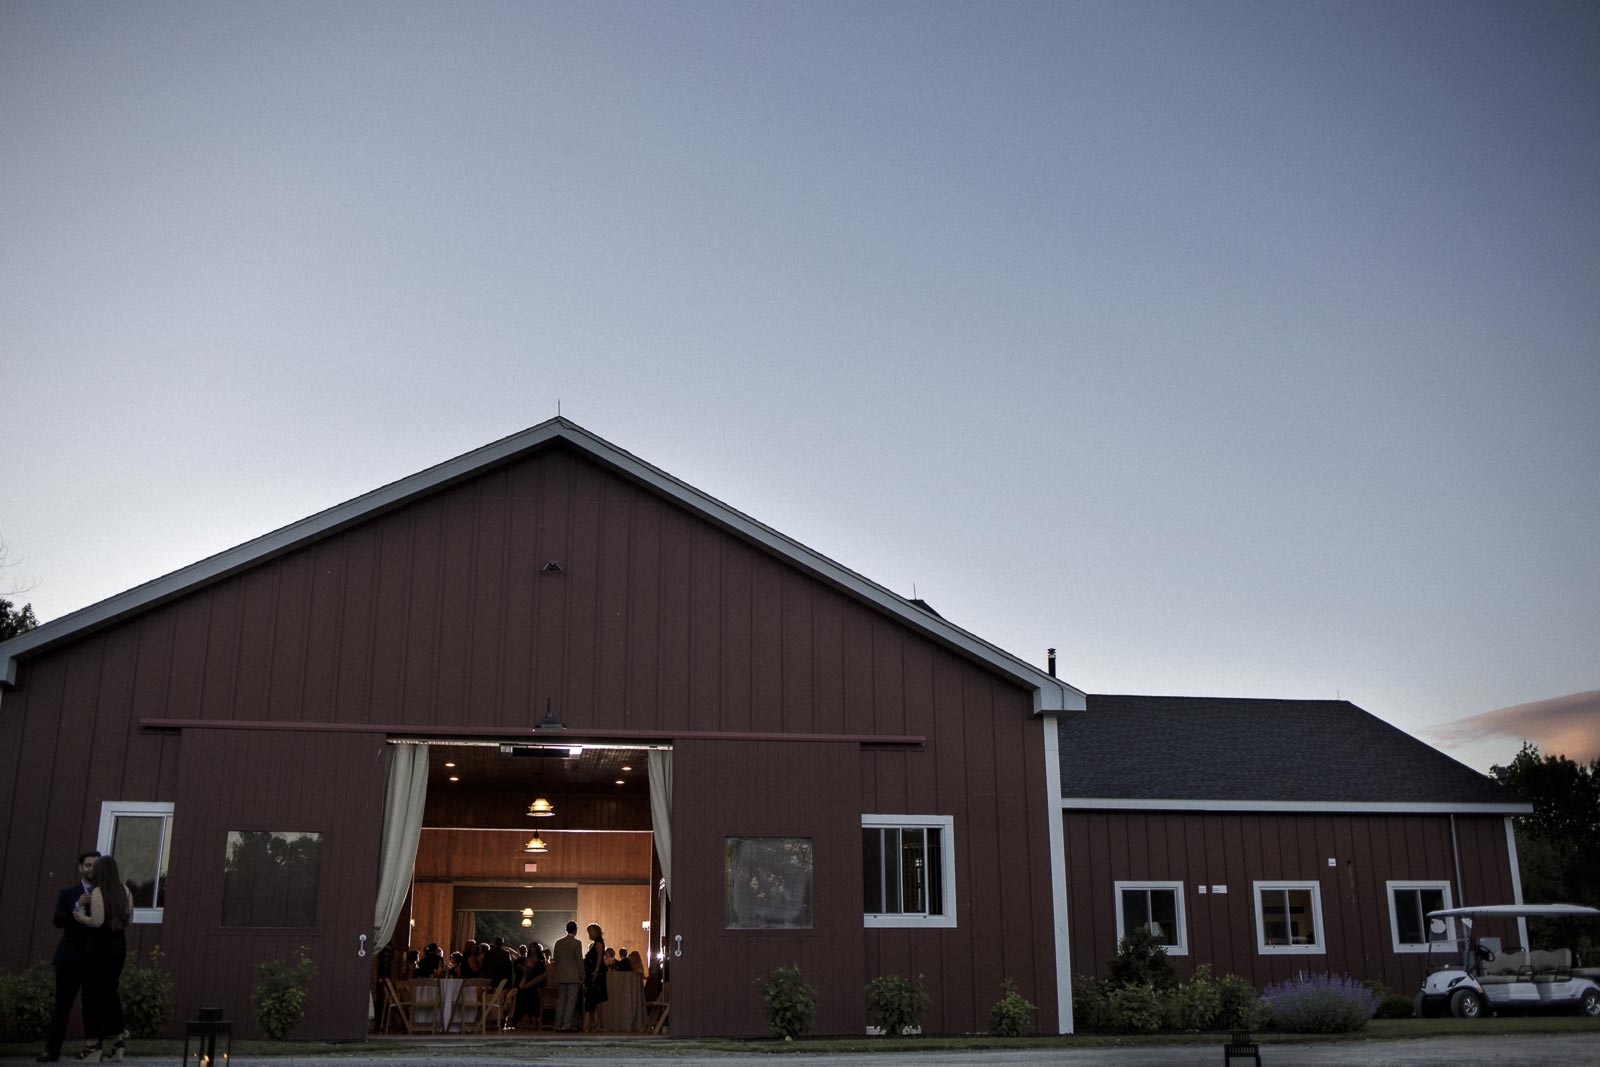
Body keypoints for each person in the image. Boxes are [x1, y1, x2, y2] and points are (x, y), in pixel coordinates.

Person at [37, 850, 99, 1063]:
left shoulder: (103, 893)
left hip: (93, 958)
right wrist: (78, 905)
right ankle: (51, 1050)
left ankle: (93, 1050)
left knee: (93, 1005)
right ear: (81, 867)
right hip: (69, 957)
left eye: (95, 865)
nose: (91, 868)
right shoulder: (68, 893)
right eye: (88, 865)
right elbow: (58, 921)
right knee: (62, 1005)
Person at [72, 855, 132, 1063]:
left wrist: (81, 917)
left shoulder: (98, 892)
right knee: (110, 993)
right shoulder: (125, 891)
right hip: (118, 946)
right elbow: (129, 918)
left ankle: (92, 1047)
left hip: (99, 948)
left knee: (91, 995)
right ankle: (118, 1044)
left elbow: (97, 922)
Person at [551, 921, 583, 1031]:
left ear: (566, 929)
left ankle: (558, 1025)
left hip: (561, 975)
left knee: (561, 1001)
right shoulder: (577, 943)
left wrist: (556, 973)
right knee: (571, 1001)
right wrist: (582, 975)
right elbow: (579, 961)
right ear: (575, 930)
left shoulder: (558, 943)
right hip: (573, 976)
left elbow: (556, 960)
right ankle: (567, 1025)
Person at [511, 943, 547, 1028]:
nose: (532, 949)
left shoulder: (540, 961)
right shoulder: (527, 959)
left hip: (535, 983)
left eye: (533, 948)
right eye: (530, 948)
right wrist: (524, 972)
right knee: (521, 992)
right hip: (527, 980)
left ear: (537, 949)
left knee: (530, 992)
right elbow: (525, 973)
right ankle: (519, 1019)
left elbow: (540, 975)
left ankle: (532, 1019)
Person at [581, 923, 608, 1032]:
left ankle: (597, 1023)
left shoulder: (599, 943)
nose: (589, 934)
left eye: (590, 931)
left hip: (596, 975)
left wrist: (596, 971)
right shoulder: (596, 943)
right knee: (595, 999)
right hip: (593, 974)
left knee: (595, 998)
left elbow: (600, 957)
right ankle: (596, 1023)